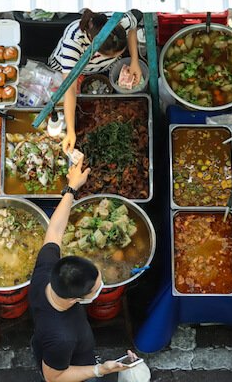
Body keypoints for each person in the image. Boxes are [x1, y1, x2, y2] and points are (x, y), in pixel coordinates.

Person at [29, 155, 137, 382]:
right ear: (75, 299)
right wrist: (100, 371)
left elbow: (55, 231)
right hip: (71, 367)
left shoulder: (46, 270)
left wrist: (71, 188)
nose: (100, 288)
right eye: (95, 288)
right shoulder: (61, 337)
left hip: (60, 346)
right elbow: (54, 377)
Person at [48, 10, 142, 154]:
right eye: (114, 55)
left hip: (100, 66)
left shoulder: (119, 21)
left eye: (120, 53)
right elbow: (70, 89)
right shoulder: (73, 44)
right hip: (72, 68)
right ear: (95, 48)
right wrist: (71, 131)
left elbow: (132, 29)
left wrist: (135, 61)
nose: (119, 56)